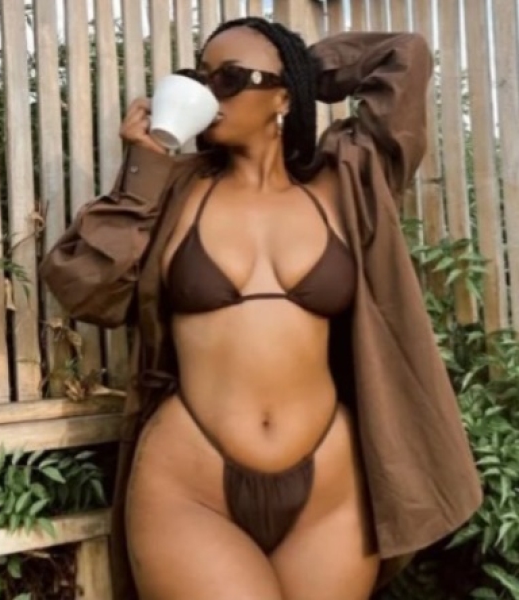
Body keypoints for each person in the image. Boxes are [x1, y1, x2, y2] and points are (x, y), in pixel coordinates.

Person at [40, 17, 483, 600]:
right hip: (191, 482)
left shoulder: (346, 183)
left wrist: (301, 71)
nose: (208, 94)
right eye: (199, 78)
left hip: (331, 483)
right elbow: (85, 287)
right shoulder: (173, 189)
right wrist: (144, 167)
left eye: (228, 79)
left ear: (282, 98)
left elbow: (404, 53)